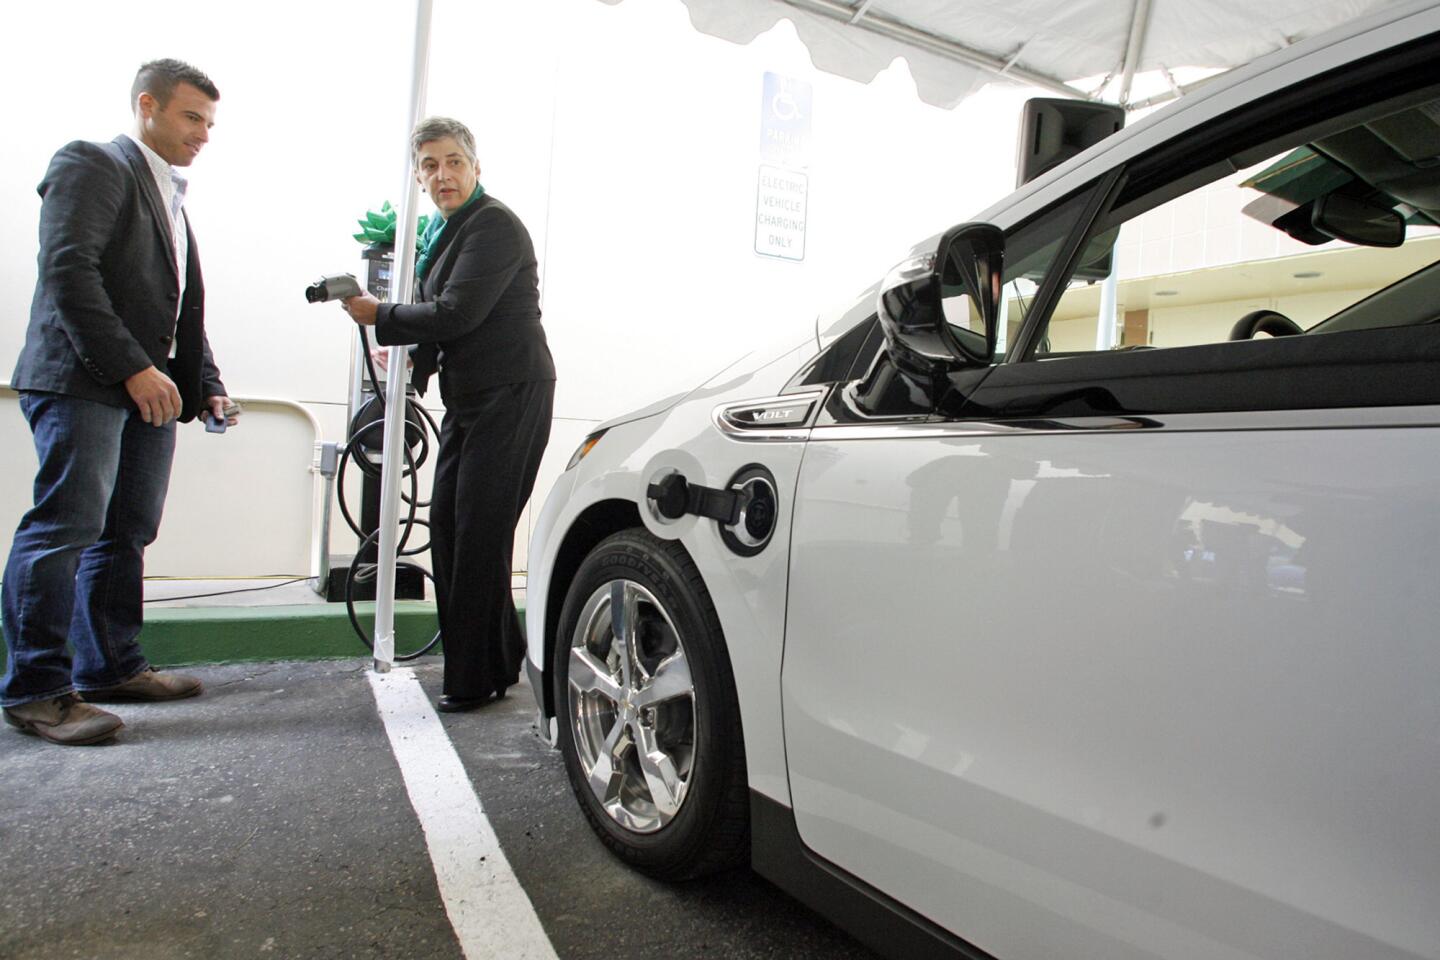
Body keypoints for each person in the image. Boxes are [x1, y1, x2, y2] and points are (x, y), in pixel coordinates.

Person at [1, 59, 239, 746]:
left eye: (209, 123)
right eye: (191, 116)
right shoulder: (93, 163)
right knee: (64, 528)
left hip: (145, 390)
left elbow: (174, 308)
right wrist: (134, 368)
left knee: (125, 531)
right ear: (148, 106)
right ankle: (38, 690)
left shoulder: (170, 196)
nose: (203, 134)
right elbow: (67, 270)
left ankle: (110, 666)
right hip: (83, 380)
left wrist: (208, 382)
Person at [341, 116, 555, 713]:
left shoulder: (494, 227)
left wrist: (380, 315)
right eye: (430, 166)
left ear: (476, 167)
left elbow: (457, 312)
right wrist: (414, 367)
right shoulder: (444, 232)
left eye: (453, 162)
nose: (443, 175)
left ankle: (473, 679)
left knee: (477, 534)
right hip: (470, 399)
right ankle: (497, 660)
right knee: (456, 532)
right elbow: (440, 316)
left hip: (512, 394)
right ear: (418, 176)